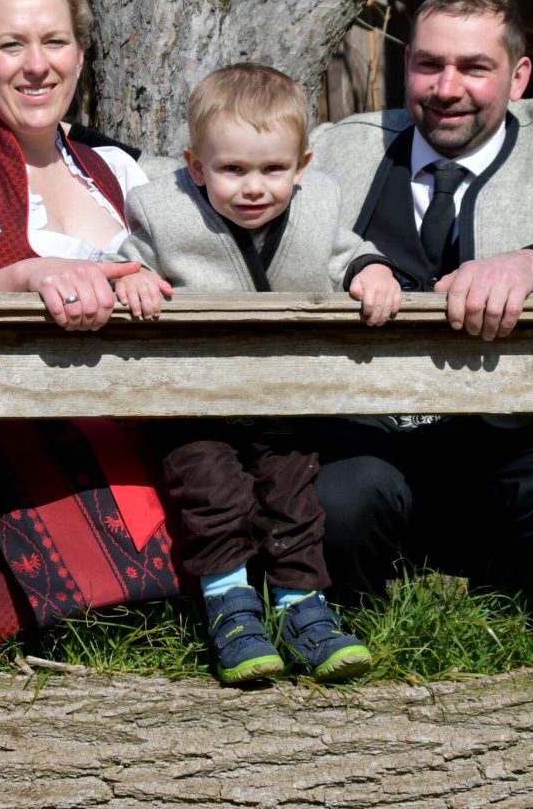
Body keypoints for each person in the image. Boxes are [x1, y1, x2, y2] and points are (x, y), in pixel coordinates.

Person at [306, 0, 533, 626]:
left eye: (475, 67)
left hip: (511, 446)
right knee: (339, 497)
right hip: (363, 445)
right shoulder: (341, 146)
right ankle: (355, 626)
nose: (447, 89)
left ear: (518, 76)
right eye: (430, 65)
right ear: (407, 65)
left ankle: (505, 621)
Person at [111, 63, 400, 683]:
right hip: (196, 403)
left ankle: (304, 609)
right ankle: (231, 608)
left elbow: (345, 252)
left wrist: (370, 271)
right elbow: (128, 259)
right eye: (232, 170)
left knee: (294, 502)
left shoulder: (319, 204)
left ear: (301, 166)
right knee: (215, 498)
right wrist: (134, 278)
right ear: (196, 167)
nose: (253, 188)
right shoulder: (162, 211)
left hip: (284, 397)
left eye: (273, 170)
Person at [0, 0, 179, 645]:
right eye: (11, 44)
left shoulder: (117, 167)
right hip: (16, 409)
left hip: (142, 400)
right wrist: (21, 278)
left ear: (80, 52)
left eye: (55, 41)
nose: (36, 64)